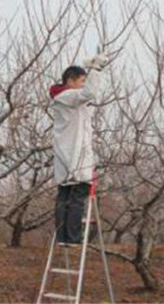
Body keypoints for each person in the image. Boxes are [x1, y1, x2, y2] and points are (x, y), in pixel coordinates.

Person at [49, 54, 109, 245]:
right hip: (74, 156)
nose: (84, 84)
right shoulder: (67, 96)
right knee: (76, 197)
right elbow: (89, 93)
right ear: (70, 80)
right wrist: (96, 69)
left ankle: (63, 236)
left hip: (68, 156)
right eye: (82, 80)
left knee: (65, 196)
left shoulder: (65, 98)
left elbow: (91, 94)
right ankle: (72, 237)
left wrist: (93, 71)